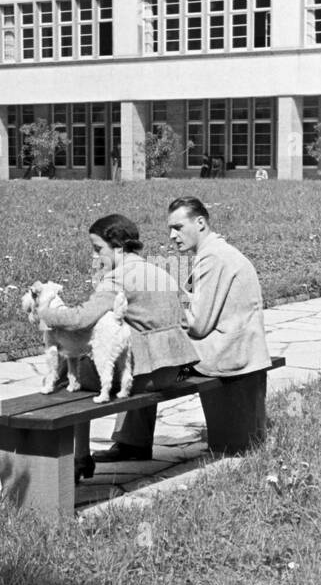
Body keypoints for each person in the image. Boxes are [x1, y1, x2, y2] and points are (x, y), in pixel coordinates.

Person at [97, 197, 270, 460]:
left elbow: (198, 325)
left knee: (147, 363)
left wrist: (164, 309)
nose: (172, 236)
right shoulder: (220, 252)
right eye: (170, 229)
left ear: (200, 223)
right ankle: (131, 441)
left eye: (178, 227)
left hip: (222, 355)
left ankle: (132, 443)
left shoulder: (213, 258)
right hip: (237, 348)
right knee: (152, 352)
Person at [36, 214, 197, 481]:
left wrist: (46, 314)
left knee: (66, 372)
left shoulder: (117, 279)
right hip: (173, 370)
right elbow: (182, 320)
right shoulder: (160, 271)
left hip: (143, 377)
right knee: (109, 358)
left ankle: (78, 458)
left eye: (98, 249)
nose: (95, 256)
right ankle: (130, 444)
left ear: (118, 247)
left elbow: (80, 320)